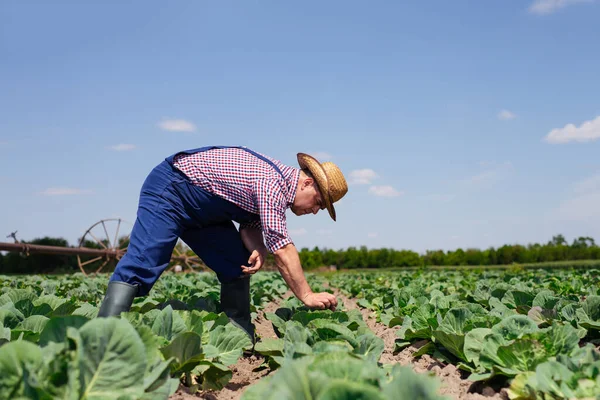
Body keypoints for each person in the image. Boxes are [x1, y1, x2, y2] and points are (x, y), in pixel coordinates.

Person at [97, 145, 348, 342]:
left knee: (236, 262)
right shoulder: (272, 183)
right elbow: (282, 247)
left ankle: (238, 337)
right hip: (171, 188)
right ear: (306, 183)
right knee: (145, 260)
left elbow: (250, 224)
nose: (315, 211)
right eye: (318, 202)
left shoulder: (277, 188)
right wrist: (306, 295)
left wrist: (258, 247)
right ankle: (102, 339)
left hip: (203, 212)